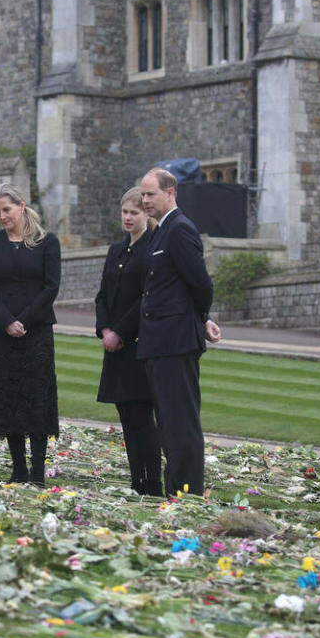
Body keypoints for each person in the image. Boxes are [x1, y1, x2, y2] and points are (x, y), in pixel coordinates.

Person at [137, 168, 222, 497]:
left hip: (175, 341)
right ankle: (176, 490)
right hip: (159, 341)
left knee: (181, 422)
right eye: (143, 195)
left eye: (150, 194)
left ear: (170, 193)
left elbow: (200, 284)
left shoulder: (180, 229)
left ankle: (187, 493)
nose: (145, 201)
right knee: (168, 424)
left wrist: (201, 318)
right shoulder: (161, 231)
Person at [0, 182, 61, 486]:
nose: (2, 216)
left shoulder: (47, 243)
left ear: (21, 206)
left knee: (36, 398)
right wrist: (7, 321)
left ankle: (38, 473)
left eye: (7, 209)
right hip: (1, 334)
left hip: (36, 332)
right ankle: (18, 470)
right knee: (8, 397)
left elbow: (51, 287)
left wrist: (23, 321)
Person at [95, 187, 162, 496]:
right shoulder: (116, 251)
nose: (128, 218)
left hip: (138, 344)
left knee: (142, 417)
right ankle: (136, 481)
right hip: (115, 346)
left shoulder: (152, 250)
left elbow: (146, 298)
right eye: (124, 212)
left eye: (134, 212)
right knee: (125, 415)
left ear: (146, 214)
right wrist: (105, 328)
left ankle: (153, 482)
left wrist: (119, 332)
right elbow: (103, 296)